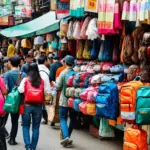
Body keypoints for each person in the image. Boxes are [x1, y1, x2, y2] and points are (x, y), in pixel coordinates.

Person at [18, 63, 46, 150]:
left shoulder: (26, 79)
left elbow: (20, 90)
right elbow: (47, 91)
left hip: (27, 106)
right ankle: (33, 147)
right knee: (36, 127)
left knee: (26, 126)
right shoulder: (41, 80)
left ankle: (28, 147)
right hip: (38, 106)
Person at [4, 56, 26, 145]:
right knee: (15, 121)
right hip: (18, 101)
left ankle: (3, 136)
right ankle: (12, 139)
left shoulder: (7, 74)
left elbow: (5, 88)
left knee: (3, 120)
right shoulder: (23, 74)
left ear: (10, 63)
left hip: (8, 100)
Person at [56, 55, 76, 147]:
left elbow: (58, 86)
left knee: (63, 118)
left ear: (65, 63)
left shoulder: (63, 73)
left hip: (64, 100)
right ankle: (67, 136)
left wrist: (54, 84)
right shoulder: (75, 73)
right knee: (72, 118)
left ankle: (66, 136)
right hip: (73, 100)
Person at [38, 56, 51, 125]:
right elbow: (48, 81)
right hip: (45, 89)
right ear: (45, 61)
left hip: (36, 90)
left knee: (39, 104)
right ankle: (44, 118)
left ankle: (41, 117)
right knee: (44, 105)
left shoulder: (36, 68)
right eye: (48, 60)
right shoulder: (47, 70)